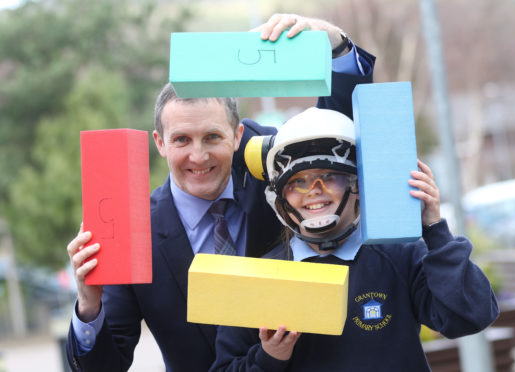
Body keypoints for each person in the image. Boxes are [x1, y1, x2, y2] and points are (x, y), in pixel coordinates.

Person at [65, 14, 376, 372]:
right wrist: (88, 306)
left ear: (238, 135)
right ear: (160, 143)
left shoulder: (277, 176)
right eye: (182, 140)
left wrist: (333, 44)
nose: (199, 156)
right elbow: (105, 366)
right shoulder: (135, 232)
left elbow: (337, 135)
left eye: (212, 137)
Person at [210, 108, 499, 371]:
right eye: (299, 181)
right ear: (279, 196)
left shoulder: (399, 255)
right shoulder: (261, 278)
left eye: (329, 176)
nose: (314, 190)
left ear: (358, 184)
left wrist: (435, 230)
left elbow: (471, 314)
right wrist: (270, 357)